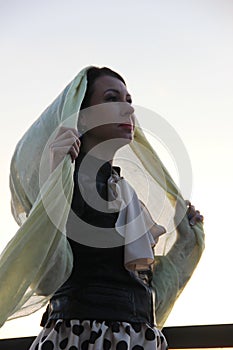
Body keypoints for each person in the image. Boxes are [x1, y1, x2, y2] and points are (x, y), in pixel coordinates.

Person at [0, 66, 204, 350]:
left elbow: (144, 288)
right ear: (83, 116)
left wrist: (186, 240)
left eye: (129, 101)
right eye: (112, 99)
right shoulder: (67, 178)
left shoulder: (123, 192)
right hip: (84, 338)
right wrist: (52, 179)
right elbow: (47, 274)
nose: (128, 110)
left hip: (136, 339)